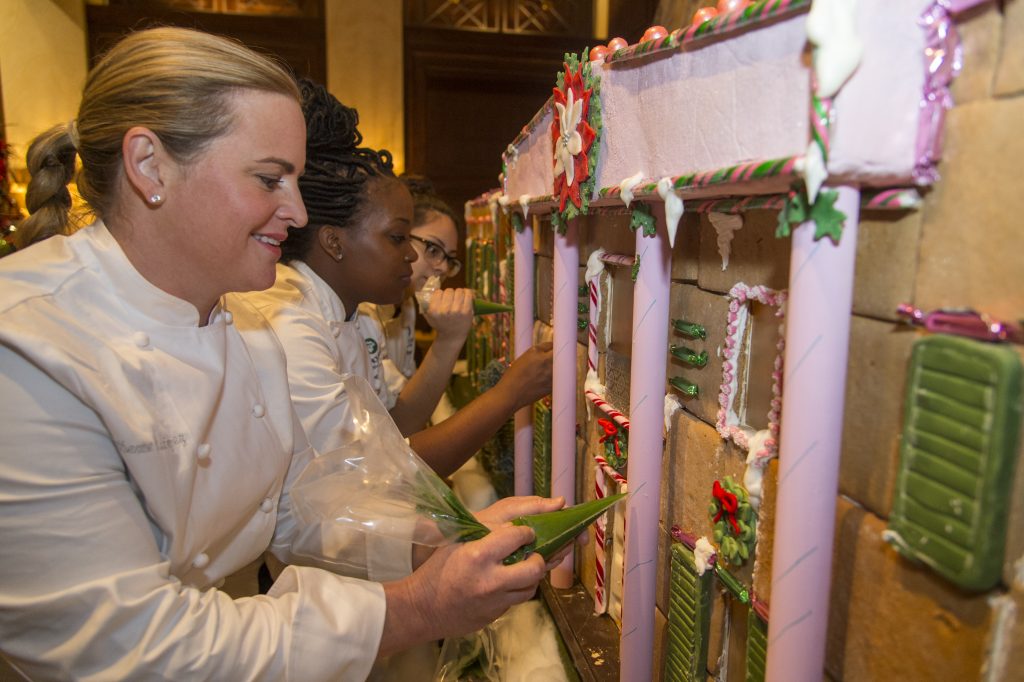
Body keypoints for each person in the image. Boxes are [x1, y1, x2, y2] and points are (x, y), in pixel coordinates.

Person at [0, 27, 563, 681]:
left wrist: (449, 537)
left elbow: (293, 510)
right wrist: (416, 609)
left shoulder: (247, 318)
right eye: (270, 179)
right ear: (150, 166)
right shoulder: (32, 352)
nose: (296, 213)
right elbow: (133, 647)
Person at [238, 79, 552, 478]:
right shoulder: (292, 327)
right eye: (397, 238)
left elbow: (395, 425)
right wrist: (508, 395)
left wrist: (451, 341)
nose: (410, 254)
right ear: (334, 242)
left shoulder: (358, 316)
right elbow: (373, 472)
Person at [357, 174, 463, 402]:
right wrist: (449, 338)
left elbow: (408, 382)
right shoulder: (361, 310)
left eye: (450, 259)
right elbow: (397, 412)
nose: (443, 267)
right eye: (433, 250)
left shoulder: (407, 305)